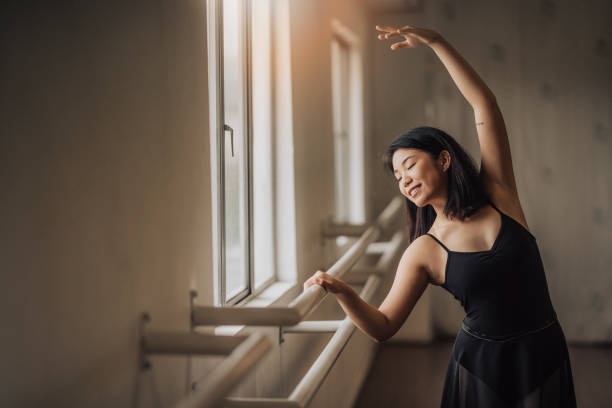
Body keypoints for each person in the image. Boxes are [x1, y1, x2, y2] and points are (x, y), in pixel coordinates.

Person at [304, 24, 577, 407]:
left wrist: (436, 42)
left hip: (544, 352)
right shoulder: (424, 250)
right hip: (480, 367)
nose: (404, 181)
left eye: (410, 165)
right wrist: (342, 290)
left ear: (444, 159)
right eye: (398, 176)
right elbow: (384, 326)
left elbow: (485, 105)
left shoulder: (499, 195)